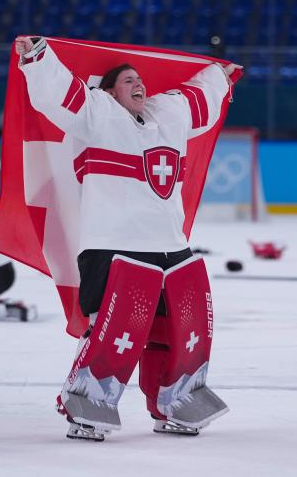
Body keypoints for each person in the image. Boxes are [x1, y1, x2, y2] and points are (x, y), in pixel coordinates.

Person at [13, 34, 239, 440]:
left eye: (140, 79)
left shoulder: (167, 114)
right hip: (112, 244)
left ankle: (169, 406)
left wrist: (219, 78)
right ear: (109, 91)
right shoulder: (96, 114)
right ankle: (86, 405)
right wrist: (38, 56)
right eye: (128, 80)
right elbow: (59, 94)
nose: (139, 84)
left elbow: (196, 98)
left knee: (172, 333)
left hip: (169, 245)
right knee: (110, 330)